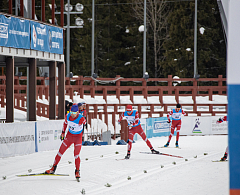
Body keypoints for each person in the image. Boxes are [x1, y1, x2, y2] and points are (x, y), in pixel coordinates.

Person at [45, 104, 86, 179]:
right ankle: (53, 168)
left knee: (76, 155)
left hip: (78, 138)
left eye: (74, 113)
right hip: (69, 136)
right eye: (71, 113)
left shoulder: (81, 118)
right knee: (60, 152)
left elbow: (85, 123)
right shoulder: (67, 116)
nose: (73, 115)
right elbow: (65, 123)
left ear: (77, 113)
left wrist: (84, 120)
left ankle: (77, 171)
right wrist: (63, 133)